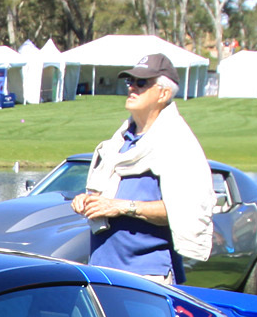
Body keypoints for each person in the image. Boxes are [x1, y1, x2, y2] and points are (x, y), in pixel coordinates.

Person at [70, 53, 212, 285]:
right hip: (101, 268)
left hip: (147, 275)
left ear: (163, 93)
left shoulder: (178, 143)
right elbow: (108, 197)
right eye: (130, 82)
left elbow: (184, 210)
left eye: (142, 83)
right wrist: (87, 201)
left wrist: (122, 207)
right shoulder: (119, 142)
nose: (132, 88)